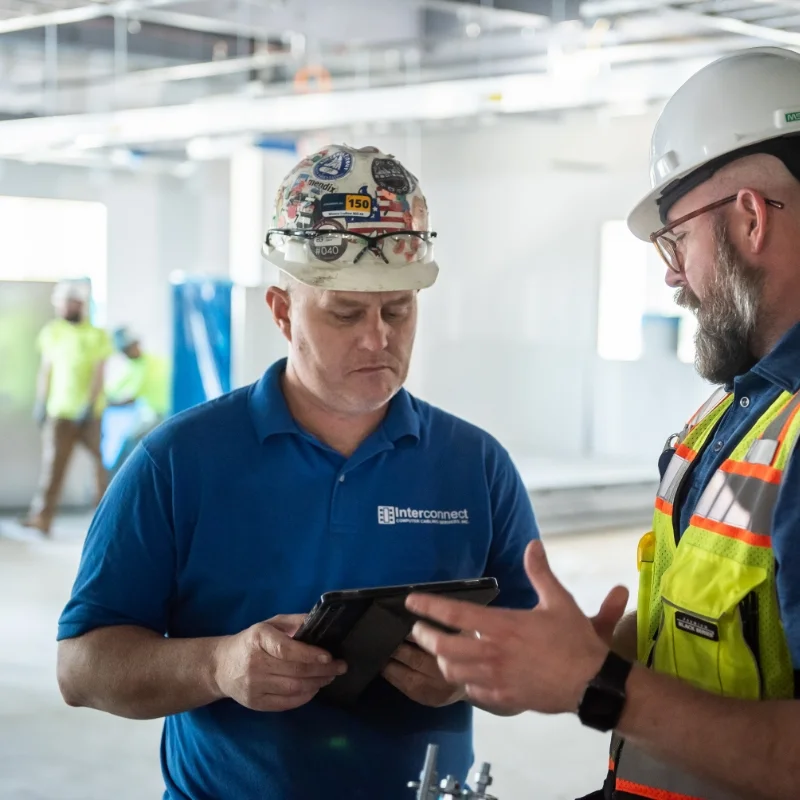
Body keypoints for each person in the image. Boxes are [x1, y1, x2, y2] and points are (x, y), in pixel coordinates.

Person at [55, 144, 541, 799]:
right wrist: (217, 665)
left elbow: (541, 657)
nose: (378, 338)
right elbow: (80, 668)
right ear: (282, 311)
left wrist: (469, 673)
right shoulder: (178, 462)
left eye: (397, 310)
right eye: (345, 313)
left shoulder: (475, 466)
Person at [406, 46, 800, 800]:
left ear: (751, 218)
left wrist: (598, 684)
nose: (672, 275)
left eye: (676, 239)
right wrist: (583, 649)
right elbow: (718, 632)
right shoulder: (734, 414)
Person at [20, 279, 112, 536]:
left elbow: (98, 373)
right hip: (59, 412)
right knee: (53, 466)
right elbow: (46, 370)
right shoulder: (52, 332)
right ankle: (42, 518)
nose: (64, 308)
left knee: (99, 466)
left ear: (80, 304)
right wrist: (41, 401)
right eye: (61, 303)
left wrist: (89, 404)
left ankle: (108, 519)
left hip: (90, 414)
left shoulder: (97, 335)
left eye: (69, 303)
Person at [105, 326, 170, 472]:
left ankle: (118, 477)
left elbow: (130, 400)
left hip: (163, 414)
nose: (131, 350)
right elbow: (113, 389)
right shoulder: (133, 366)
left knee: (132, 442)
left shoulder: (148, 364)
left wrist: (104, 404)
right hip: (153, 413)